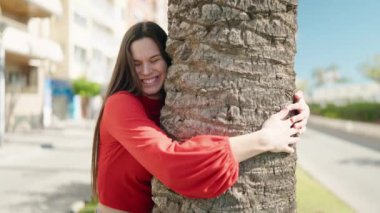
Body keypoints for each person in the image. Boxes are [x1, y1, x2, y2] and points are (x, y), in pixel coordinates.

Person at [92, 21, 310, 213]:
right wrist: (265, 139)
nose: (146, 70)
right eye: (136, 64)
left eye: (154, 59)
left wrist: (294, 112)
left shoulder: (174, 104)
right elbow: (171, 163)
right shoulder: (120, 104)